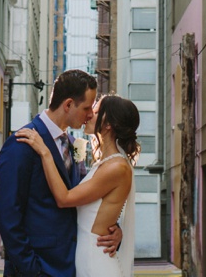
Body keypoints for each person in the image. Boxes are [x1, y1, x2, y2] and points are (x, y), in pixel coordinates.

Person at [0, 71, 124, 277]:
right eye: (86, 108)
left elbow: (87, 198)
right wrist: (31, 270)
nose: (90, 115)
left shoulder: (76, 147)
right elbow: (8, 215)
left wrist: (113, 230)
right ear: (68, 105)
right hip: (38, 268)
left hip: (72, 265)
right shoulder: (21, 143)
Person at [14, 94, 139, 277]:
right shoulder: (105, 163)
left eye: (95, 111)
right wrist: (116, 229)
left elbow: (64, 199)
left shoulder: (117, 167)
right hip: (85, 259)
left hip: (96, 263)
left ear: (108, 124)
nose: (89, 115)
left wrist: (45, 152)